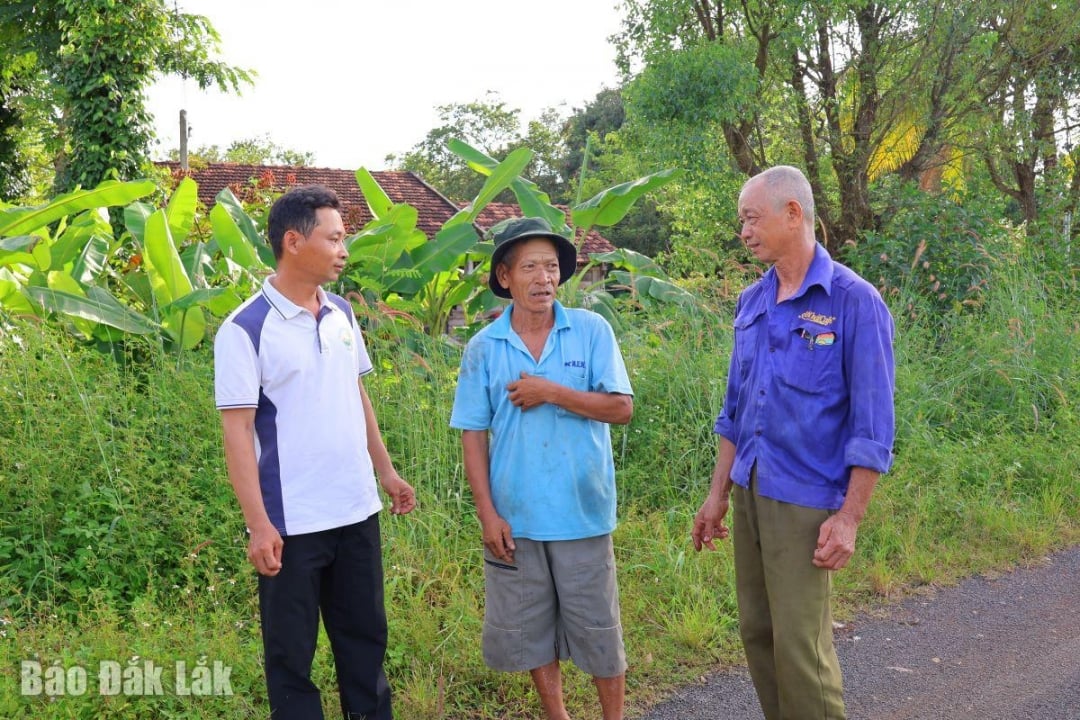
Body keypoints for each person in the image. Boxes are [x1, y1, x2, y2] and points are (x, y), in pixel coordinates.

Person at [691, 166, 895, 720]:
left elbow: (873, 426)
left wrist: (848, 518)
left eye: (751, 218)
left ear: (792, 213)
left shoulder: (853, 301)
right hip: (750, 490)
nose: (743, 232)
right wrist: (716, 495)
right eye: (741, 221)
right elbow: (735, 412)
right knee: (759, 633)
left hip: (806, 499)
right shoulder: (752, 301)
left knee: (801, 647)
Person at [214, 184, 416, 719]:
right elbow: (237, 433)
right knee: (291, 659)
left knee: (365, 645)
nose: (343, 250)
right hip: (292, 524)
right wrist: (259, 525)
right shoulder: (245, 329)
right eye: (335, 238)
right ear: (293, 242)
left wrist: (387, 473)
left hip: (356, 511)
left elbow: (357, 395)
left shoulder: (343, 313)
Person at [450, 216, 635, 720]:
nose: (544, 279)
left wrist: (550, 391)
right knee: (530, 634)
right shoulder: (484, 347)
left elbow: (621, 408)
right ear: (505, 276)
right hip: (517, 519)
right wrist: (488, 514)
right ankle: (558, 715)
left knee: (600, 633)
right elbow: (473, 435)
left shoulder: (591, 331)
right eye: (530, 267)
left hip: (582, 513)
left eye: (551, 267)